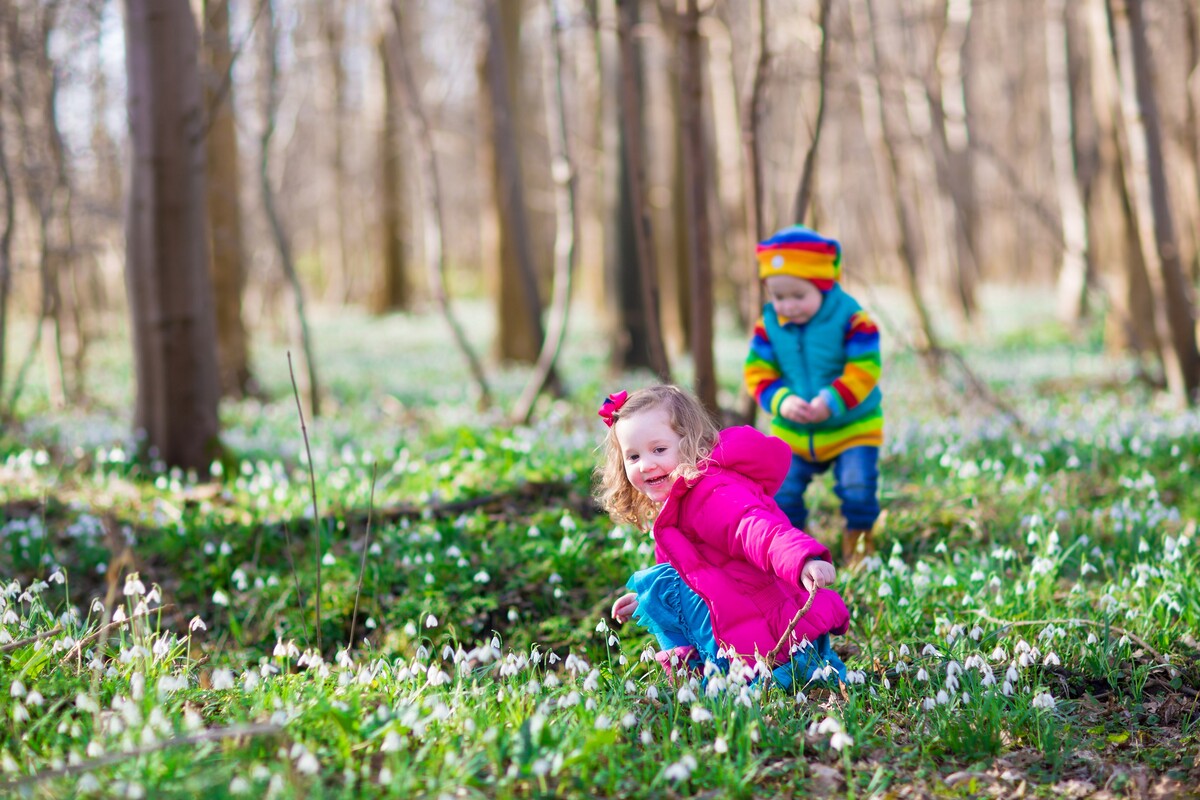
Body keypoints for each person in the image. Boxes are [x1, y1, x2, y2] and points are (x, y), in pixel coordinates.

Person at [595, 385, 848, 690]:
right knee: (659, 586)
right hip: (754, 625)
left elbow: (753, 527)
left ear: (690, 444)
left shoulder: (710, 493)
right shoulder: (678, 505)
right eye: (633, 456)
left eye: (659, 450)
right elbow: (691, 572)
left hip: (772, 634)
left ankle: (717, 673)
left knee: (659, 583)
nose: (646, 464)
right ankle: (710, 671)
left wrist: (801, 558)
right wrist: (647, 603)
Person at [744, 224, 883, 562]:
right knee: (783, 491)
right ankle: (797, 551)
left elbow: (865, 367)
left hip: (852, 427)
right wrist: (781, 400)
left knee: (857, 486)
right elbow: (757, 371)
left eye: (798, 295)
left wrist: (831, 401)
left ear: (824, 285)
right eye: (778, 296)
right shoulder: (769, 324)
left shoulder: (852, 318)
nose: (787, 306)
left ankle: (860, 544)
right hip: (793, 430)